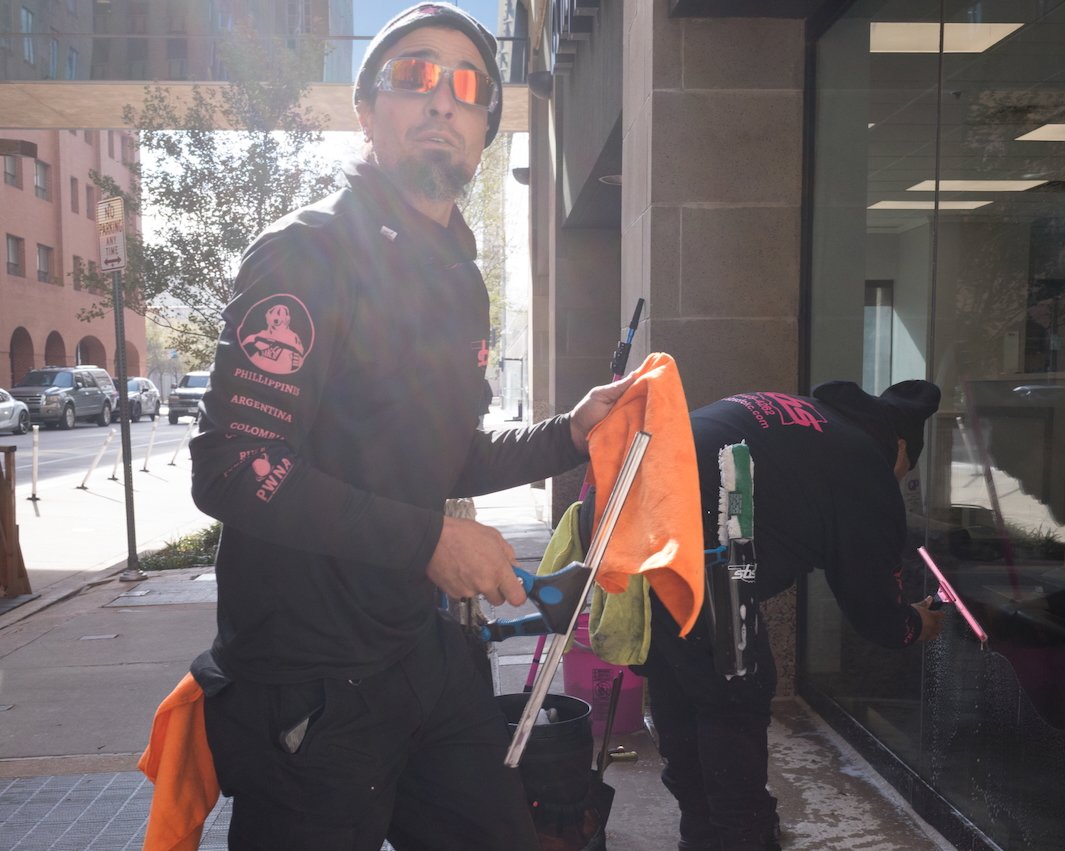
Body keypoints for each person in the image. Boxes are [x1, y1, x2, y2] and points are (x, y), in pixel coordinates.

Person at [187, 5, 633, 848]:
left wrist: (567, 434)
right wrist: (428, 540)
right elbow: (236, 466)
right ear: (367, 111)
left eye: (468, 86)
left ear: (483, 131)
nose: (443, 100)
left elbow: (446, 453)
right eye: (415, 76)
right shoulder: (305, 254)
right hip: (309, 684)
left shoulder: (460, 282)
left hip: (419, 657)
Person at [633, 380, 946, 851]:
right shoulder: (864, 461)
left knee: (680, 683)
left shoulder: (803, 416)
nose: (898, 479)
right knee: (733, 695)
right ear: (900, 444)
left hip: (632, 523)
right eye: (905, 468)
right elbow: (869, 596)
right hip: (704, 554)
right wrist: (912, 624)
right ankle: (741, 838)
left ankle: (701, 833)